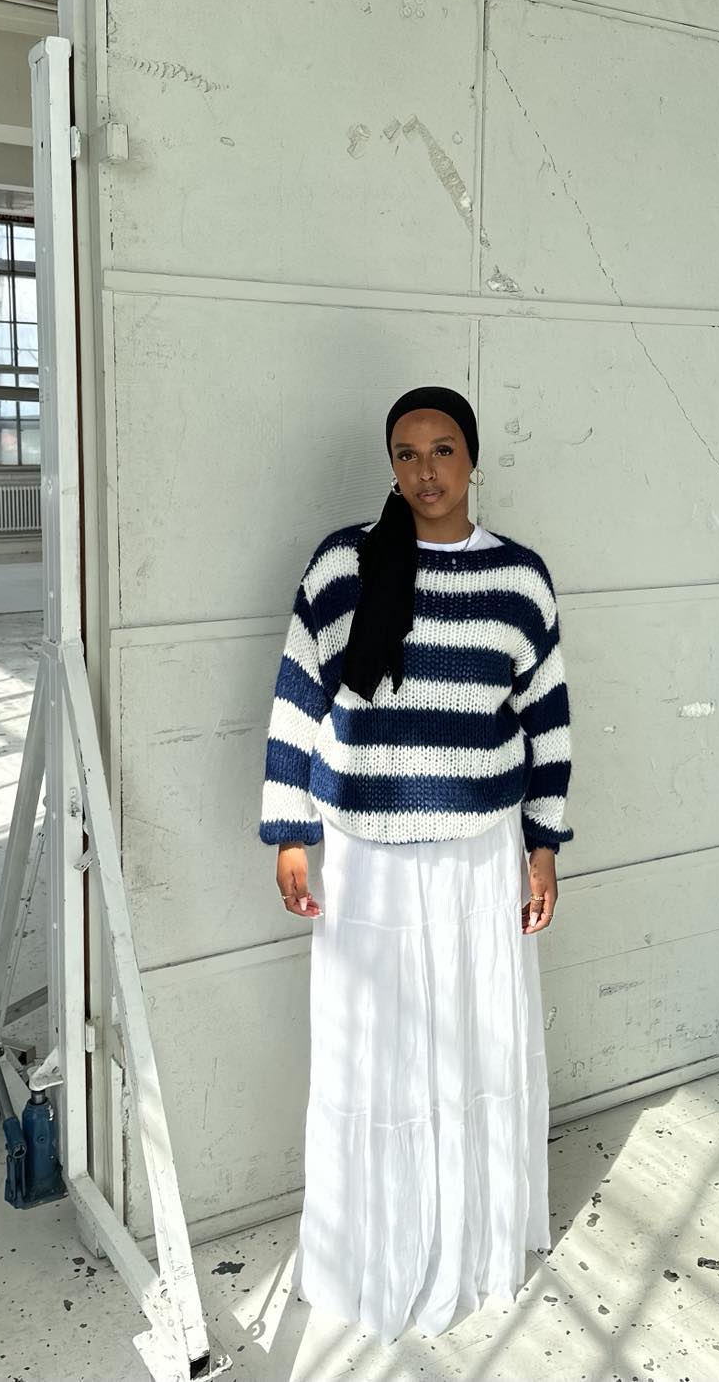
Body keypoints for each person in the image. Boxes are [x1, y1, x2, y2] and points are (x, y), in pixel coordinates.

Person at [258, 383, 573, 1344]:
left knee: (473, 1042)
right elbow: (298, 697)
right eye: (406, 452)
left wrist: (543, 846)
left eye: (443, 450)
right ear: (389, 464)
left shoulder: (519, 579)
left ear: (472, 459)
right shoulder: (343, 566)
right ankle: (374, 1250)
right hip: (365, 856)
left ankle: (471, 1237)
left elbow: (548, 723)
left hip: (478, 852)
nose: (426, 471)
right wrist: (290, 830)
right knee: (373, 1053)